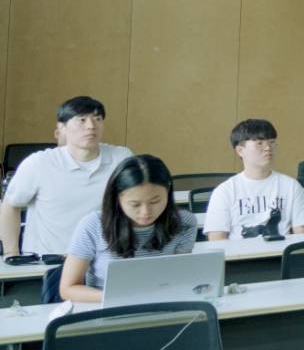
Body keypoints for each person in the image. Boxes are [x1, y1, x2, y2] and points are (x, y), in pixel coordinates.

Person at [1, 96, 133, 258]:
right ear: (62, 128)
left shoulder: (121, 158)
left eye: (97, 119)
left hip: (103, 260)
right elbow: (10, 205)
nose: (91, 126)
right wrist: (11, 254)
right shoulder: (39, 163)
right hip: (49, 262)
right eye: (82, 120)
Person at [60, 154, 199, 303]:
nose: (146, 212)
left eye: (155, 201)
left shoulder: (184, 222)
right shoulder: (93, 224)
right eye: (135, 204)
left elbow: (179, 277)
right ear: (117, 198)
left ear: (168, 190)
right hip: (105, 307)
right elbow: (68, 289)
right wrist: (122, 298)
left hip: (160, 304)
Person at [204, 119, 304, 241]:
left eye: (272, 142)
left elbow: (302, 236)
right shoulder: (224, 191)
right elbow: (216, 241)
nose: (268, 148)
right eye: (260, 143)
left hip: (281, 257)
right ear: (240, 150)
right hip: (240, 258)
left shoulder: (291, 186)